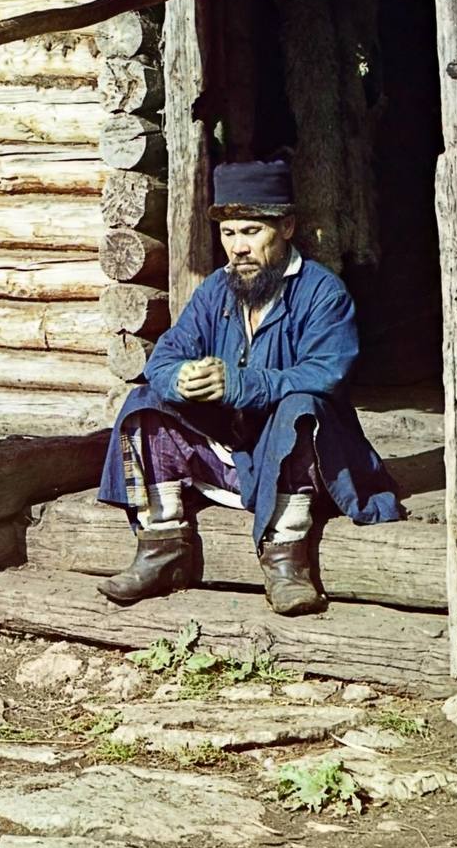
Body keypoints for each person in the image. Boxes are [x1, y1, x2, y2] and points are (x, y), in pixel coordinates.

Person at [96, 159, 403, 617]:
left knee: (301, 405)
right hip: (232, 455)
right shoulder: (216, 291)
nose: (237, 247)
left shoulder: (324, 293)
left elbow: (326, 372)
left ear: (287, 227)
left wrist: (239, 384)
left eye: (251, 231)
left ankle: (286, 559)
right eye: (228, 233)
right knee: (146, 402)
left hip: (307, 459)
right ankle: (161, 546)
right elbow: (164, 357)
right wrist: (179, 378)